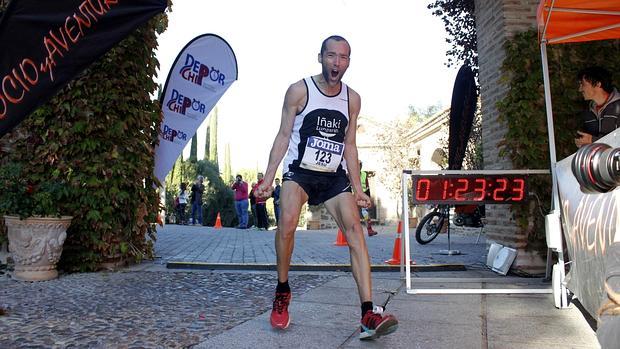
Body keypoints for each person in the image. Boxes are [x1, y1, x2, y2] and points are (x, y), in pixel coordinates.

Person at [254, 35, 398, 340]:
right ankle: (282, 291)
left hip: (334, 177)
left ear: (348, 62)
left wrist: (358, 189)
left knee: (355, 231)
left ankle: (368, 314)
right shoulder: (299, 91)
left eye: (343, 57)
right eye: (331, 56)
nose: (337, 63)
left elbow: (350, 144)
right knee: (288, 223)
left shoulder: (352, 99)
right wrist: (268, 178)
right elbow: (282, 136)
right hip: (300, 173)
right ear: (320, 57)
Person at [575, 66, 620, 148]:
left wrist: (592, 140)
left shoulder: (618, 107)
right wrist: (582, 143)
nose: (580, 89)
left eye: (583, 84)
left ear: (598, 84)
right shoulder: (588, 112)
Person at [359, 161, 377, 236]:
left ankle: (369, 230)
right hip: (353, 197)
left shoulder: (364, 174)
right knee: (354, 215)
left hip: (363, 196)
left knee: (365, 214)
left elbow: (367, 186)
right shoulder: (349, 175)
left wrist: (368, 198)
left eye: (360, 166)